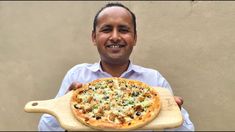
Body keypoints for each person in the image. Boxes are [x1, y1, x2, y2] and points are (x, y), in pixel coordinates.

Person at [38, 2, 194, 131]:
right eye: (106, 29)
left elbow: (188, 130)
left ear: (135, 38)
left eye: (123, 30)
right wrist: (62, 108)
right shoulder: (77, 75)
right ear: (94, 37)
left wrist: (174, 114)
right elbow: (44, 129)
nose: (115, 37)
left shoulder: (154, 80)